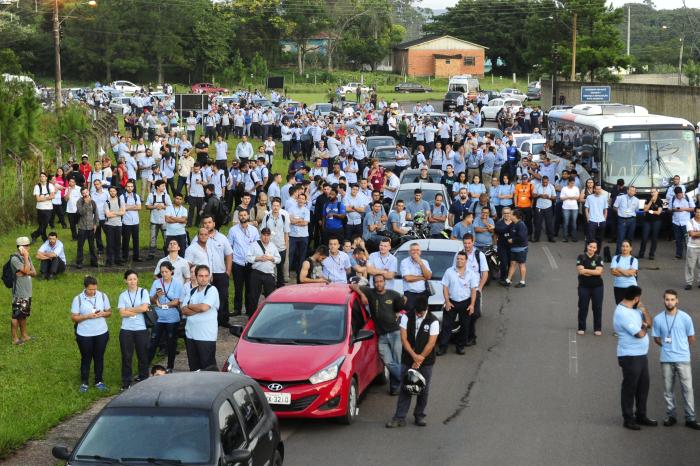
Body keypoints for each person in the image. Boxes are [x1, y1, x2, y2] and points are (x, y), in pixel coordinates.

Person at [385, 295, 438, 428]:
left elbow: (431, 344)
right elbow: (404, 339)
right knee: (405, 387)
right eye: (417, 312)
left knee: (423, 390)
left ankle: (419, 416)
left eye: (421, 313)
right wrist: (414, 356)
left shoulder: (433, 321)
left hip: (426, 362)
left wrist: (420, 359)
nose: (418, 314)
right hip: (408, 359)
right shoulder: (407, 317)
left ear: (426, 309)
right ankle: (399, 417)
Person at [651, 289, 700, 429]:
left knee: (688, 389)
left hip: (683, 358)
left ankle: (690, 418)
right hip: (666, 358)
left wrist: (680, 347)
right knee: (668, 390)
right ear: (663, 300)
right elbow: (656, 338)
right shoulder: (658, 318)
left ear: (677, 300)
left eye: (672, 299)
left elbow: (691, 338)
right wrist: (668, 347)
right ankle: (671, 415)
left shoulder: (685, 317)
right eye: (667, 299)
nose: (670, 302)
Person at [351, 276, 405, 395]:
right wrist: (362, 294)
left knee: (396, 361)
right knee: (387, 362)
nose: (379, 284)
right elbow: (352, 285)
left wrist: (397, 311)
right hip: (382, 336)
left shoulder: (393, 294)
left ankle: (395, 388)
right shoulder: (370, 292)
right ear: (373, 283)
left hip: (395, 333)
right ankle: (406, 378)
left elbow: (403, 300)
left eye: (381, 282)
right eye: (376, 282)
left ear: (385, 283)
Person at [613, 285, 656, 430]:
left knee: (643, 387)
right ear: (636, 298)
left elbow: (650, 323)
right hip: (630, 356)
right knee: (630, 388)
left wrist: (643, 310)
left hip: (641, 355)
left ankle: (641, 415)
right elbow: (640, 334)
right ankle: (628, 418)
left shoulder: (636, 309)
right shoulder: (622, 313)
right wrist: (644, 327)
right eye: (640, 298)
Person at [70, 276, 111, 392]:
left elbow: (109, 312)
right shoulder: (78, 299)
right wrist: (87, 316)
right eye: (90, 290)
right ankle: (84, 382)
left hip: (101, 332)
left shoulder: (102, 296)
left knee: (99, 357)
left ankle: (99, 381)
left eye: (95, 289)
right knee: (86, 358)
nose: (93, 292)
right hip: (84, 334)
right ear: (85, 288)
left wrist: (103, 313)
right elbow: (74, 318)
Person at [437, 251, 479, 355]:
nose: (459, 261)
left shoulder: (471, 273)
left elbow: (473, 290)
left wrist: (472, 305)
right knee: (447, 326)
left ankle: (460, 347)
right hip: (451, 302)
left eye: (461, 259)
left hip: (465, 302)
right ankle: (443, 348)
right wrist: (447, 302)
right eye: (458, 259)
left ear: (466, 261)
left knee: (465, 326)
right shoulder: (449, 271)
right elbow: (445, 287)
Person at [181, 265, 219, 371]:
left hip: (206, 337)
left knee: (208, 369)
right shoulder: (192, 291)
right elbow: (183, 310)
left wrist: (190, 306)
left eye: (206, 276)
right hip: (191, 336)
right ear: (196, 277)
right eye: (201, 276)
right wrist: (198, 308)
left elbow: (204, 307)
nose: (204, 278)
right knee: (194, 368)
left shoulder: (212, 290)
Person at [117, 270, 150, 390]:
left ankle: (144, 379)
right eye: (130, 279)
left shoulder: (143, 292)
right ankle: (126, 382)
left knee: (143, 356)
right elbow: (122, 313)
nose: (132, 281)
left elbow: (144, 308)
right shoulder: (123, 295)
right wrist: (137, 309)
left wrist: (129, 310)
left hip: (141, 329)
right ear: (125, 280)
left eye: (134, 279)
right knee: (126, 357)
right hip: (126, 330)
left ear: (137, 280)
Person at [148, 261, 182, 373]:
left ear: (171, 271)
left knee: (171, 342)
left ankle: (170, 366)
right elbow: (151, 300)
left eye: (166, 272)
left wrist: (163, 305)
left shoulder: (177, 284)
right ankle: (146, 366)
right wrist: (156, 296)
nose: (164, 274)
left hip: (172, 318)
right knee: (153, 342)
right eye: (162, 272)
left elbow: (177, 301)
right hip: (159, 317)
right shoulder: (156, 283)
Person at [227, 210, 259, 316]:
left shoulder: (254, 230)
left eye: (245, 215)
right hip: (237, 263)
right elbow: (229, 247)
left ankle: (249, 309)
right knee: (238, 287)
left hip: (250, 263)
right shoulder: (233, 230)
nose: (243, 217)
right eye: (241, 215)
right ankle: (237, 309)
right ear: (238, 217)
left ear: (248, 216)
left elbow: (257, 246)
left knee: (250, 287)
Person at [246, 227, 281, 312]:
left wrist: (271, 258)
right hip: (256, 273)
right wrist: (259, 258)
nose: (266, 237)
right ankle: (251, 316)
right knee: (253, 297)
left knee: (270, 297)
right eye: (264, 235)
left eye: (267, 235)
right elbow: (248, 258)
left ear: (270, 236)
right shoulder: (254, 245)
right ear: (260, 235)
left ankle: (269, 315)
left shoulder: (273, 246)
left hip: (269, 274)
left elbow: (279, 259)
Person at [9, 237, 36, 346]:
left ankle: (24, 335)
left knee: (23, 314)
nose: (28, 247)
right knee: (16, 315)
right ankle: (15, 338)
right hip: (19, 292)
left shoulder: (27, 257)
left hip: (27, 292)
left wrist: (26, 271)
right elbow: (26, 270)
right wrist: (25, 259)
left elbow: (34, 272)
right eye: (26, 246)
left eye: (28, 245)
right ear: (20, 247)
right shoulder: (15, 259)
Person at [577, 241, 604, 336]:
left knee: (597, 307)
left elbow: (599, 272)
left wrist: (586, 271)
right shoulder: (581, 257)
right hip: (584, 286)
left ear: (596, 249)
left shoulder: (598, 258)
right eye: (590, 246)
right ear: (587, 246)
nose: (591, 249)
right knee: (583, 307)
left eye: (594, 247)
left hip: (597, 287)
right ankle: (581, 327)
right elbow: (580, 271)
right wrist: (593, 271)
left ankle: (597, 328)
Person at [400, 243, 432, 312]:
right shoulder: (404, 262)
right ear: (409, 252)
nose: (415, 252)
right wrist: (422, 277)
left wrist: (420, 263)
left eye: (417, 250)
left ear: (420, 252)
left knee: (423, 314)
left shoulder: (424, 262)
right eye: (413, 250)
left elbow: (428, 276)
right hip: (410, 294)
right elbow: (408, 278)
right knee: (410, 315)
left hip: (423, 294)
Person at [502, 209, 528, 288]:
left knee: (521, 264)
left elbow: (522, 237)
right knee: (512, 264)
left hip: (521, 249)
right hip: (514, 248)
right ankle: (508, 280)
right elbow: (505, 229)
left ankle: (522, 282)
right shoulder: (513, 223)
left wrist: (512, 240)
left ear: (515, 216)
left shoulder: (521, 225)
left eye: (511, 214)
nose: (509, 215)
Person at [146, 180, 172, 259]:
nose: (164, 187)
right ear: (157, 187)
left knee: (166, 237)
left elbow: (170, 206)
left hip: (164, 221)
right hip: (154, 220)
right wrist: (155, 206)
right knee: (153, 238)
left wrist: (163, 206)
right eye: (163, 186)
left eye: (164, 186)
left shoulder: (166, 196)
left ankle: (167, 253)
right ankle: (151, 254)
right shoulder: (151, 195)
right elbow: (147, 206)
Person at [75, 187, 99, 268]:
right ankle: (79, 262)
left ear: (88, 192)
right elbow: (80, 212)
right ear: (81, 194)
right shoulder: (79, 202)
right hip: (82, 227)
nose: (85, 194)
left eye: (86, 192)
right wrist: (85, 203)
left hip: (91, 227)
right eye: (83, 193)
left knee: (92, 246)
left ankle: (94, 261)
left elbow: (96, 214)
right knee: (80, 246)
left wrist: (95, 224)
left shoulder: (93, 202)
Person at [613, 185, 640, 255]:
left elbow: (636, 210)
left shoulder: (637, 200)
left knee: (630, 238)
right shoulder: (620, 197)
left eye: (633, 191)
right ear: (627, 191)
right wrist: (620, 212)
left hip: (632, 220)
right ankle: (618, 254)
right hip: (622, 220)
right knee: (620, 238)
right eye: (630, 190)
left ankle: (628, 254)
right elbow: (614, 207)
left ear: (635, 192)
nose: (632, 192)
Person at [288, 192, 310, 276]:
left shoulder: (306, 210)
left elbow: (305, 223)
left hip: (304, 236)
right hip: (293, 235)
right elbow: (290, 220)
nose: (301, 200)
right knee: (290, 255)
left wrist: (295, 221)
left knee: (302, 256)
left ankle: (300, 274)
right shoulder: (291, 209)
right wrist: (300, 220)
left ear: (305, 201)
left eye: (303, 199)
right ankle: (287, 273)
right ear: (297, 199)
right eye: (299, 198)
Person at [669, 186, 695, 259]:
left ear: (682, 193)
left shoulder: (687, 197)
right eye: (677, 195)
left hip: (686, 222)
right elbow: (669, 209)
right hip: (676, 222)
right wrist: (674, 209)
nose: (679, 197)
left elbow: (693, 208)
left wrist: (683, 209)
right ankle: (678, 254)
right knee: (678, 239)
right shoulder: (673, 198)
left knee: (687, 240)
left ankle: (689, 255)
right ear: (675, 194)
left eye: (680, 195)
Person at [120, 180, 142, 262]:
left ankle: (136, 256)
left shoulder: (136, 196)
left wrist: (128, 207)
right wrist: (134, 206)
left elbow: (139, 207)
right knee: (126, 240)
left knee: (136, 240)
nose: (130, 188)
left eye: (131, 186)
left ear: (133, 187)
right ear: (125, 187)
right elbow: (123, 208)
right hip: (126, 221)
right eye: (128, 186)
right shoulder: (122, 196)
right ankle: (125, 257)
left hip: (135, 221)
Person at [610, 240, 638, 304]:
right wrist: (627, 272)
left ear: (630, 248)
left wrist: (619, 269)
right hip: (618, 287)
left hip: (631, 287)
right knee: (620, 308)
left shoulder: (634, 260)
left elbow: (632, 273)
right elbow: (613, 272)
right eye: (623, 246)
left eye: (627, 246)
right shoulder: (615, 258)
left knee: (631, 309)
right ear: (621, 247)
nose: (625, 248)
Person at [31, 172, 56, 243]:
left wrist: (43, 197)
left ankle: (34, 235)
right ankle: (44, 238)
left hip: (48, 208)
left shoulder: (50, 185)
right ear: (39, 178)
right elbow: (38, 199)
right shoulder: (37, 186)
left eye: (43, 176)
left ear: (46, 178)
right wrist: (48, 197)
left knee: (45, 224)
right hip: (40, 208)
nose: (42, 177)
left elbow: (53, 196)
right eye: (41, 176)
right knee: (42, 225)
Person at [103, 186, 125, 267]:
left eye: (114, 191)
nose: (112, 192)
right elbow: (108, 214)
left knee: (118, 243)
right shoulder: (106, 202)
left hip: (118, 225)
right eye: (111, 191)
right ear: (109, 192)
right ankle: (109, 261)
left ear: (116, 192)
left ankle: (118, 260)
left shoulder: (120, 201)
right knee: (110, 244)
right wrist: (117, 212)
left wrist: (114, 213)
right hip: (109, 225)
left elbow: (123, 212)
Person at [638, 188, 663, 260]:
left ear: (657, 192)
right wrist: (651, 202)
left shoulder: (660, 201)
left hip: (656, 221)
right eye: (651, 192)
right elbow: (645, 210)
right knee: (644, 238)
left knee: (654, 238)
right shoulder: (648, 199)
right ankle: (641, 254)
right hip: (647, 221)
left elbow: (658, 212)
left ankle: (651, 254)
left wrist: (651, 211)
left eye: (654, 192)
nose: (652, 193)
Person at [584, 182, 608, 251]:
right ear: (594, 189)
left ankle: (597, 253)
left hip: (601, 221)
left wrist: (604, 219)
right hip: (592, 220)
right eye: (597, 189)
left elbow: (605, 210)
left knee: (600, 239)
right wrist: (588, 218)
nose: (598, 190)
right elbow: (586, 209)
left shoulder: (604, 198)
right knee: (591, 238)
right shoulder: (589, 197)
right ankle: (589, 252)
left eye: (599, 189)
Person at [533, 175, 556, 242]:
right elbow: (533, 195)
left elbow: (554, 197)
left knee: (549, 223)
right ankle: (536, 238)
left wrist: (548, 197)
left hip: (548, 207)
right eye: (543, 182)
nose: (544, 183)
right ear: (541, 181)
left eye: (546, 182)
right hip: (539, 207)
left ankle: (551, 238)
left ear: (548, 181)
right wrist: (540, 195)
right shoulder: (537, 186)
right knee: (538, 223)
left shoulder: (551, 186)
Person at [560, 177, 580, 243]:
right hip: (566, 207)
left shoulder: (576, 188)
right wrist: (569, 197)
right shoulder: (564, 188)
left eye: (573, 183)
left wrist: (570, 197)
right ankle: (565, 238)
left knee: (574, 223)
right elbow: (561, 198)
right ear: (568, 182)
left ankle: (574, 237)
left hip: (574, 208)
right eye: (571, 183)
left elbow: (578, 197)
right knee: (566, 223)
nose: (572, 184)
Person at [685, 206, 700, 290]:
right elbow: (692, 234)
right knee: (690, 266)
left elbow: (694, 234)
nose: (699, 214)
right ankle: (689, 282)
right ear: (694, 212)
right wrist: (695, 233)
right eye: (697, 212)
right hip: (692, 246)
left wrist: (696, 233)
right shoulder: (690, 222)